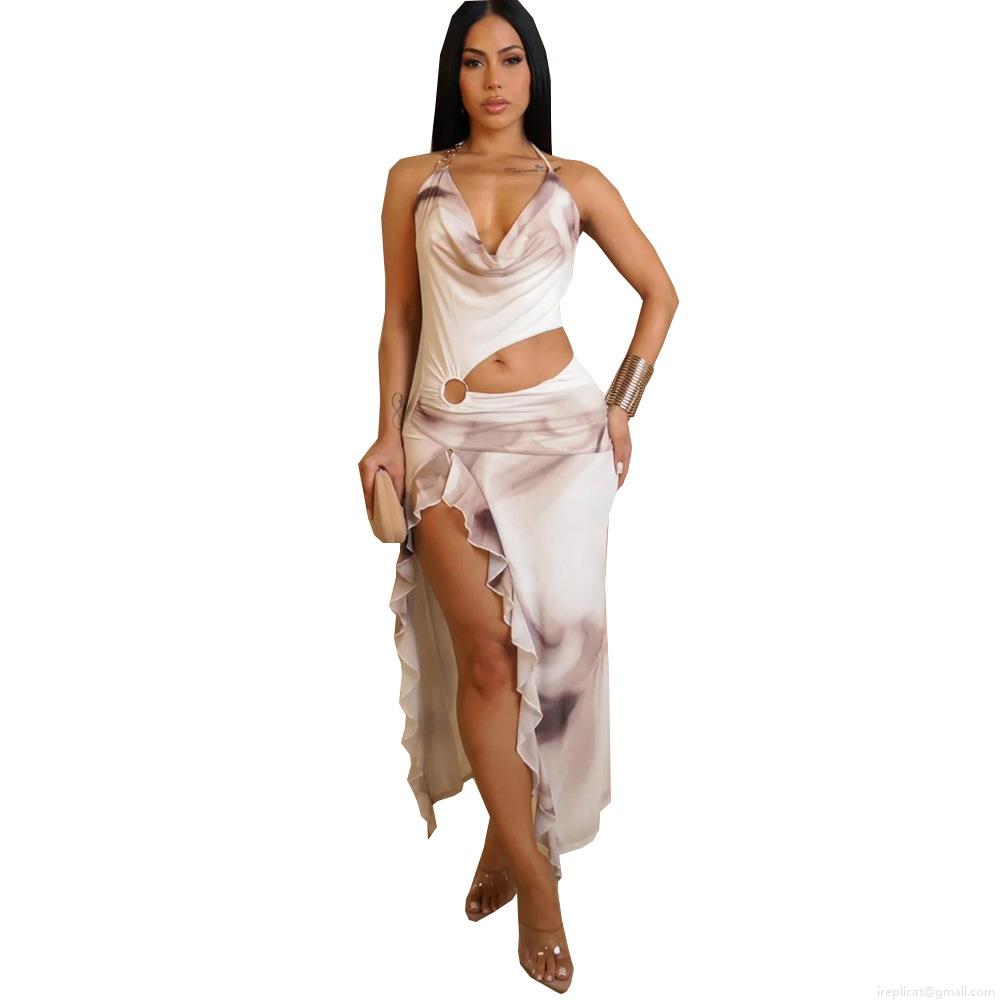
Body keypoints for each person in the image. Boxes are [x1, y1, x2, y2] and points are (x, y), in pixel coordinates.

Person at [358, 1, 678, 990]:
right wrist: (383, 433)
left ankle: (510, 830)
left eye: (509, 59)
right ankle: (539, 886)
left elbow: (661, 294)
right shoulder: (413, 181)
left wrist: (622, 405)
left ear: (534, 72)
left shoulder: (576, 183)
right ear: (452, 77)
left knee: (564, 651)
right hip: (444, 438)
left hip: (563, 445)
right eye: (472, 62)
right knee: (489, 658)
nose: (492, 80)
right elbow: (399, 319)